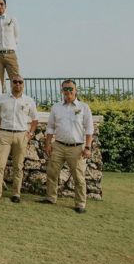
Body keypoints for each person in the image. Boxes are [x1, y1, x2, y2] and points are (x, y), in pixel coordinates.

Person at [38, 80, 94, 214]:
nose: (68, 91)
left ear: (76, 90)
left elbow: (89, 129)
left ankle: (80, 204)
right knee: (52, 173)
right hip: (58, 146)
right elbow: (50, 127)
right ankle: (51, 198)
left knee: (78, 177)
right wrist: (48, 144)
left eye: (71, 89)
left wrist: (88, 147)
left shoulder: (83, 107)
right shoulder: (56, 107)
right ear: (62, 91)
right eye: (65, 89)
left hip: (76, 148)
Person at [0, 75, 38, 203]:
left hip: (21, 135)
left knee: (18, 166)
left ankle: (16, 194)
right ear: (11, 84)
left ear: (23, 84)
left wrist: (30, 133)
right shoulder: (2, 99)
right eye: (15, 82)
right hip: (5, 135)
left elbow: (35, 119)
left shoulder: (29, 100)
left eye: (20, 82)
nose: (17, 84)